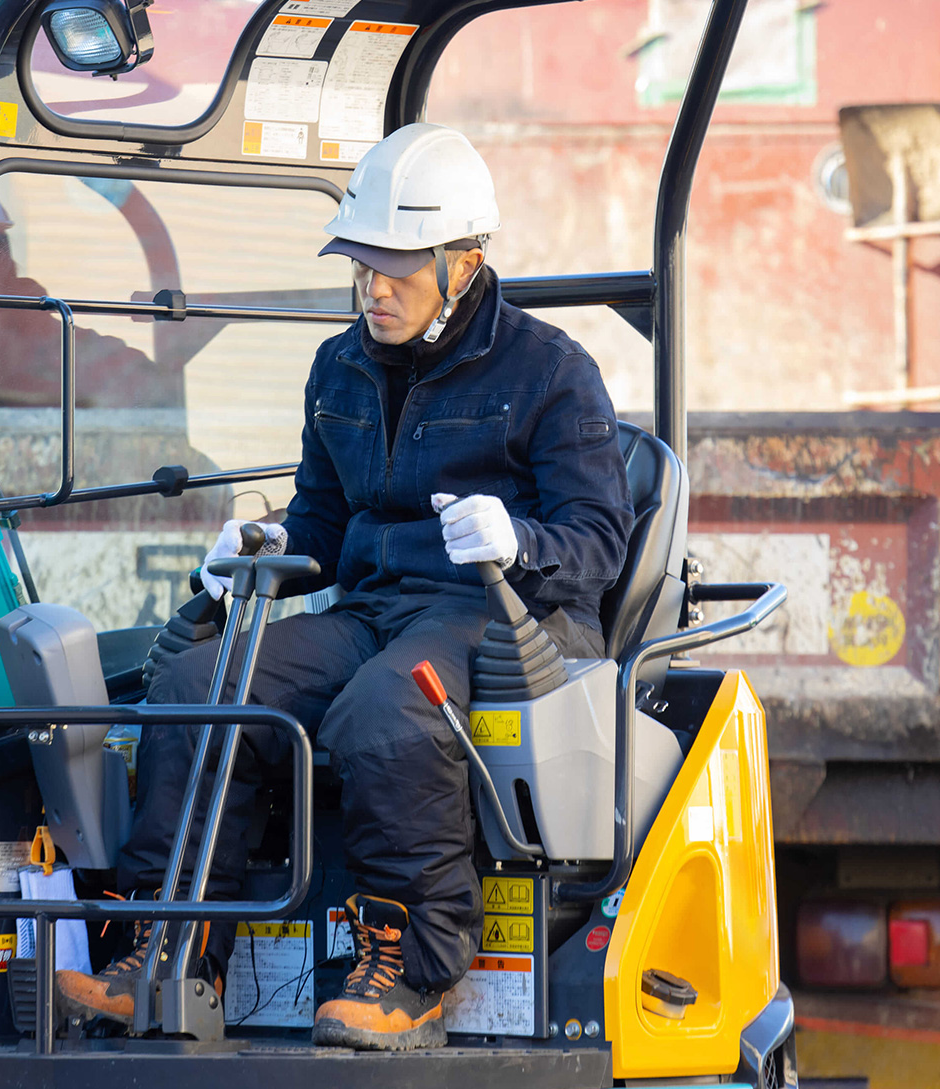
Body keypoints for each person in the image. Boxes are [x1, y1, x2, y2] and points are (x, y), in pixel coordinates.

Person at [54, 124, 634, 1051]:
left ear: (464, 261)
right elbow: (321, 526)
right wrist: (263, 543)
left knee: (384, 710)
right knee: (199, 680)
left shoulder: (552, 372)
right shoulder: (341, 367)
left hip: (492, 615)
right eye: (362, 264)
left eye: (396, 268)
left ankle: (408, 973)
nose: (372, 287)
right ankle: (164, 953)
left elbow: (599, 542)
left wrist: (518, 540)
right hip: (371, 608)